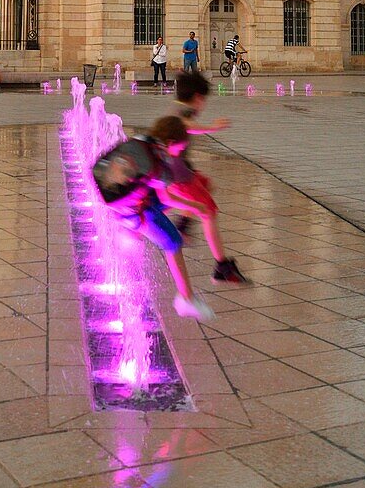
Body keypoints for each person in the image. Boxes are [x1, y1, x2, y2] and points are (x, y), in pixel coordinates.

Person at [93, 132, 214, 321]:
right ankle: (186, 299)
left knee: (163, 200)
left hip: (122, 206)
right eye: (179, 149)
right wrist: (196, 206)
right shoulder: (159, 169)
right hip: (134, 214)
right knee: (173, 243)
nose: (179, 153)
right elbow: (168, 198)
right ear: (171, 144)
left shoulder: (140, 141)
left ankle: (131, 235)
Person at [165, 71, 250, 284]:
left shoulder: (180, 108)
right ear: (198, 97)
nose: (204, 104)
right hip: (179, 176)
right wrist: (212, 127)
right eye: (203, 99)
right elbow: (185, 126)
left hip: (182, 171)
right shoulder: (183, 114)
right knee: (208, 212)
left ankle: (183, 225)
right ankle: (222, 266)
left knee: (205, 185)